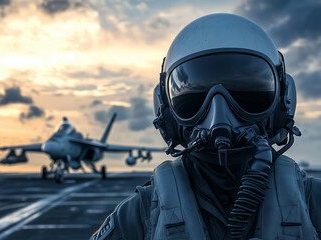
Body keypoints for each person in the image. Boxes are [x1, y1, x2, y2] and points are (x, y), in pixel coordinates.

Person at [91, 13, 321, 240]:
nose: (219, 115)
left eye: (247, 92)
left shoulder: (316, 205)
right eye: (194, 97)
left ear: (283, 100)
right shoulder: (135, 218)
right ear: (166, 112)